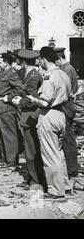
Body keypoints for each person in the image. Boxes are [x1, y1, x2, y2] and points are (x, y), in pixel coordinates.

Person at [27, 47, 72, 199]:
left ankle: (55, 190)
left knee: (50, 154)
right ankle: (65, 185)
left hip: (49, 115)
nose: (39, 62)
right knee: (59, 154)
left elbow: (45, 102)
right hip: (61, 115)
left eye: (40, 60)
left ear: (44, 60)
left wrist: (33, 99)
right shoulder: (64, 74)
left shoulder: (49, 76)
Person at [12, 50, 46, 191]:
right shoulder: (32, 74)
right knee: (30, 149)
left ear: (24, 62)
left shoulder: (32, 77)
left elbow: (32, 100)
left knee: (32, 150)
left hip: (31, 116)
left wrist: (19, 102)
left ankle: (35, 180)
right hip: (29, 116)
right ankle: (33, 178)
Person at [0, 53, 24, 166]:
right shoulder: (1, 72)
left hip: (7, 107)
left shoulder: (11, 73)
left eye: (0, 61)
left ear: (6, 62)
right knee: (1, 133)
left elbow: (20, 88)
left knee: (9, 134)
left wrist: (8, 98)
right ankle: (4, 158)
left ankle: (12, 160)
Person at [55, 47, 78, 179]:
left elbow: (65, 90)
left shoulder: (66, 70)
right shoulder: (66, 69)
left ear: (59, 59)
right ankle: (70, 167)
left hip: (66, 106)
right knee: (67, 138)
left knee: (68, 138)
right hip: (67, 105)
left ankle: (72, 169)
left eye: (56, 61)